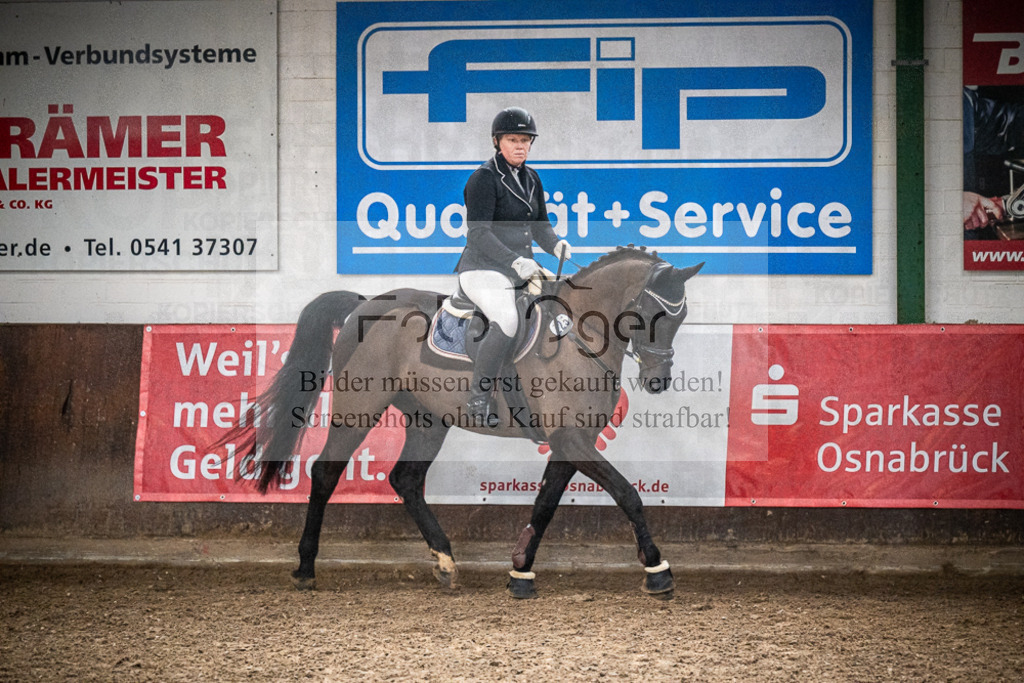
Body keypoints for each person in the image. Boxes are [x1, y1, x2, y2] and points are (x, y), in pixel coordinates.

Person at [455, 106, 571, 425]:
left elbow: (540, 226)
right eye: (512, 139)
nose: (520, 146)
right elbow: (478, 233)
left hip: (521, 268)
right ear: (497, 142)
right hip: (482, 269)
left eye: (525, 140)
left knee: (565, 305)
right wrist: (515, 260)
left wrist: (555, 243)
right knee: (506, 319)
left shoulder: (532, 178)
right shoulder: (483, 178)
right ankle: (479, 398)